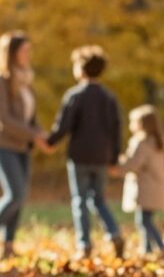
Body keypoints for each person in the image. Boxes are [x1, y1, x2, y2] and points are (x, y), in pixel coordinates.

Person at [45, 45, 126, 260]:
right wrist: (115, 157)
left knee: (80, 200)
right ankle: (114, 233)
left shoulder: (75, 95)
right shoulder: (109, 98)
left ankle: (85, 244)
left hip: (79, 157)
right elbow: (116, 129)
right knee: (99, 199)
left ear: (80, 69)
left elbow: (63, 126)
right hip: (101, 157)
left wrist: (50, 142)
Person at [0, 31, 49, 259]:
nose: (29, 54)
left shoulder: (26, 79)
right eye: (24, 49)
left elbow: (29, 116)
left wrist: (41, 134)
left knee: (20, 195)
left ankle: (8, 246)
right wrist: (34, 135)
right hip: (1, 142)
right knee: (14, 193)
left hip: (22, 146)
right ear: (12, 53)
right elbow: (3, 119)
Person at [118, 105, 164, 259]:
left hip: (145, 187)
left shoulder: (142, 143)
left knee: (144, 220)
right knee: (145, 219)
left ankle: (161, 247)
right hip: (155, 187)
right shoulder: (157, 142)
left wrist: (119, 166)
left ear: (141, 124)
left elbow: (134, 164)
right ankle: (146, 249)